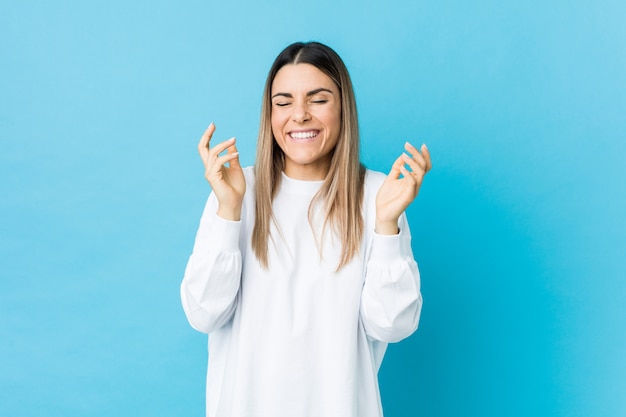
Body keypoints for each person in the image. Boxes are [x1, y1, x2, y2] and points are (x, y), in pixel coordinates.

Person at [180, 41, 432, 417]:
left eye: (318, 99)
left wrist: (386, 226)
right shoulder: (235, 191)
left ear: (343, 107)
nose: (299, 115)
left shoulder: (379, 195)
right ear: (269, 114)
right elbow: (203, 315)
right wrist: (228, 211)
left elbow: (392, 325)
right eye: (283, 102)